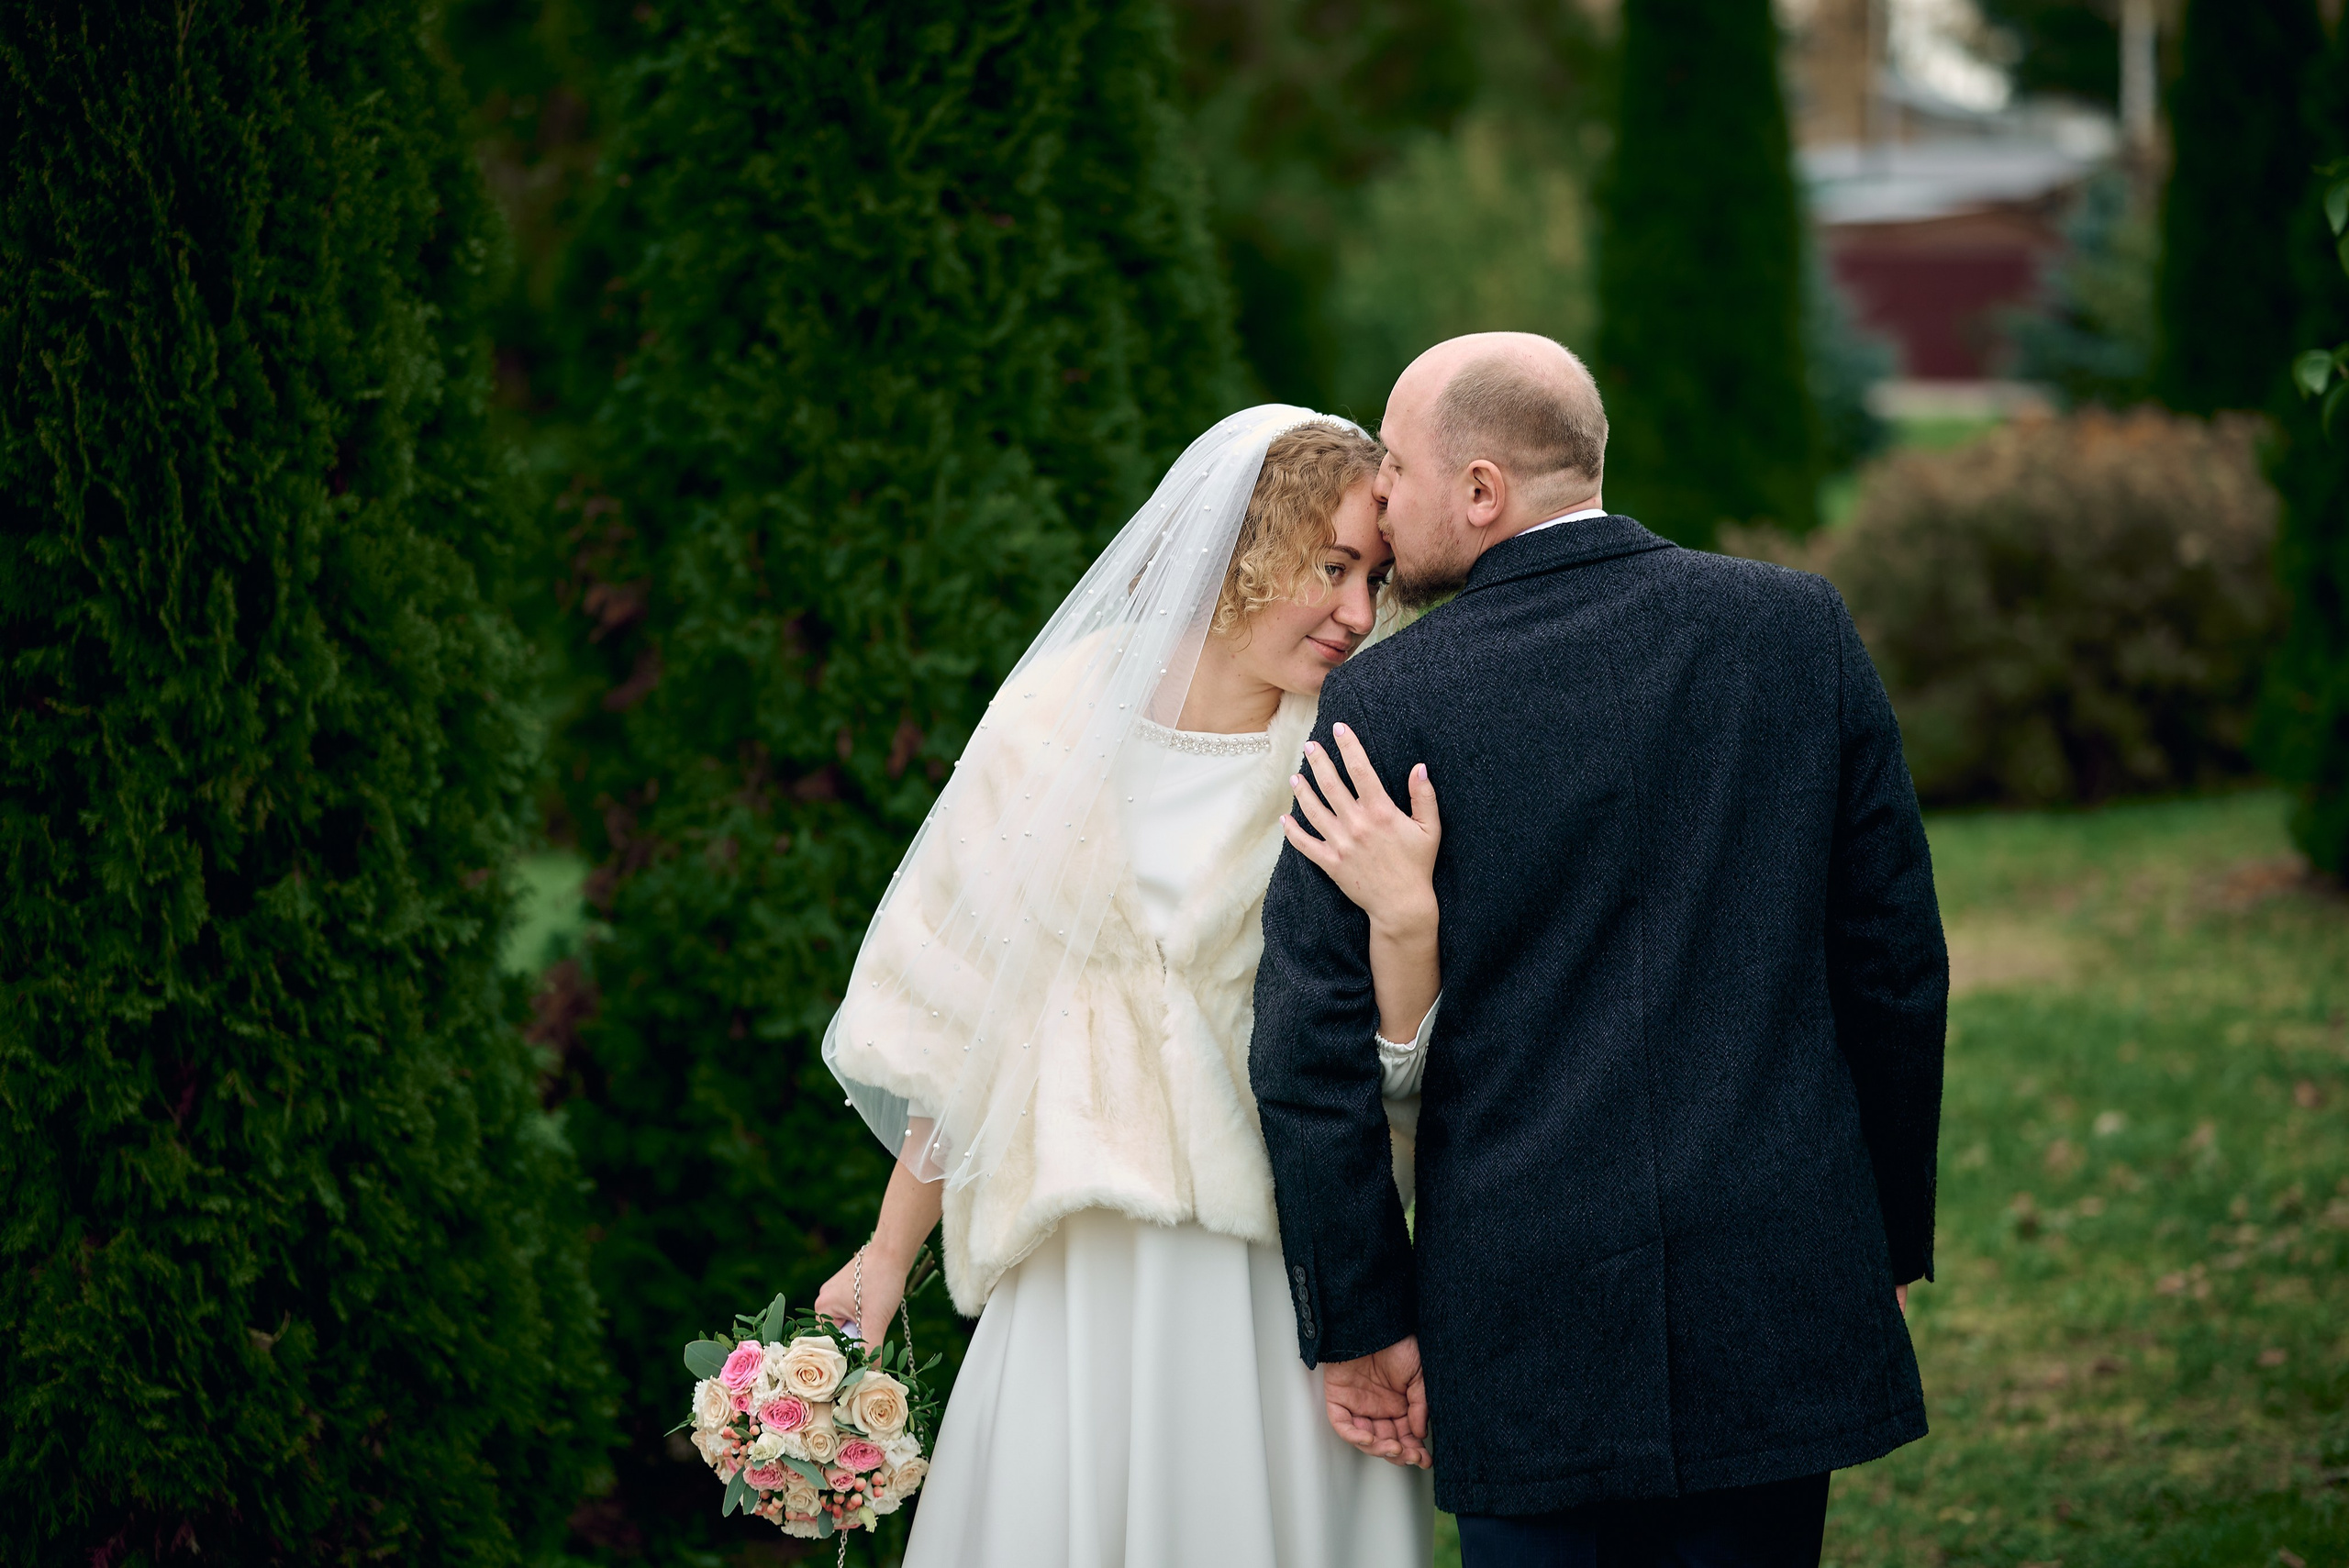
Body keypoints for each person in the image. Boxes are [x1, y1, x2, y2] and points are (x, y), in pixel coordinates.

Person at [1250, 332, 1948, 1568]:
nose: (1382, 500)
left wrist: (1360, 1319)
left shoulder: (1385, 705)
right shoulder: (1797, 628)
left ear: (1482, 491)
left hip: (1522, 1311)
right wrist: (1881, 1240)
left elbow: (1310, 1050)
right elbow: (1893, 968)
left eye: (1398, 469)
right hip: (1777, 1274)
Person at [819, 407, 1443, 1567]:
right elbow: (965, 1015)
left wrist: (1410, 923)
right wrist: (886, 1253)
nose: (1359, 613)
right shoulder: (1056, 716)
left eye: (1376, 577)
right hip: (1078, 1261)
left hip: (1274, 1265)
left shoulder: (1348, 749)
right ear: (1248, 544)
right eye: (1332, 566)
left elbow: (1387, 1043)